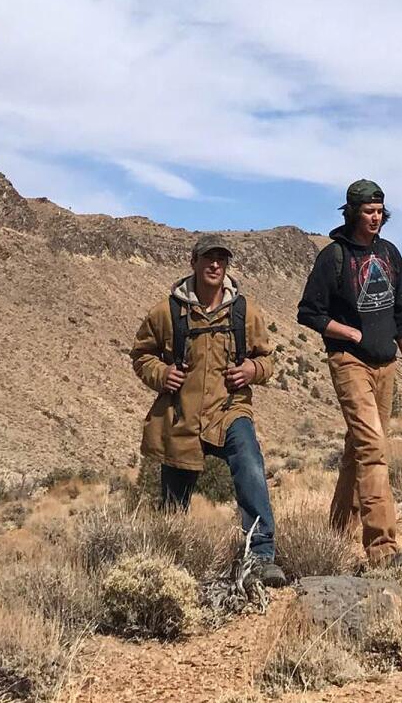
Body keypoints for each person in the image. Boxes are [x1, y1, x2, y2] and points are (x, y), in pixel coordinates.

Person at [130, 235, 286, 587]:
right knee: (174, 498)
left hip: (230, 411)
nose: (215, 265)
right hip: (182, 415)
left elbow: (268, 360)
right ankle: (170, 562)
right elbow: (141, 356)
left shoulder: (245, 312)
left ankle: (260, 555)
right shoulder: (167, 312)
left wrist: (252, 371)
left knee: (250, 466)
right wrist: (161, 374)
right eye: (208, 258)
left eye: (221, 259)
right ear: (194, 262)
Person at [297, 180, 402, 570]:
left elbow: (401, 317)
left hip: (386, 364)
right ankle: (382, 547)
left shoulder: (389, 254)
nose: (376, 217)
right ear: (352, 212)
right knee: (373, 448)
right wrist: (346, 331)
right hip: (349, 362)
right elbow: (308, 312)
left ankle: (334, 534)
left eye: (381, 211)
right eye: (369, 211)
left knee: (358, 449)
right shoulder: (333, 257)